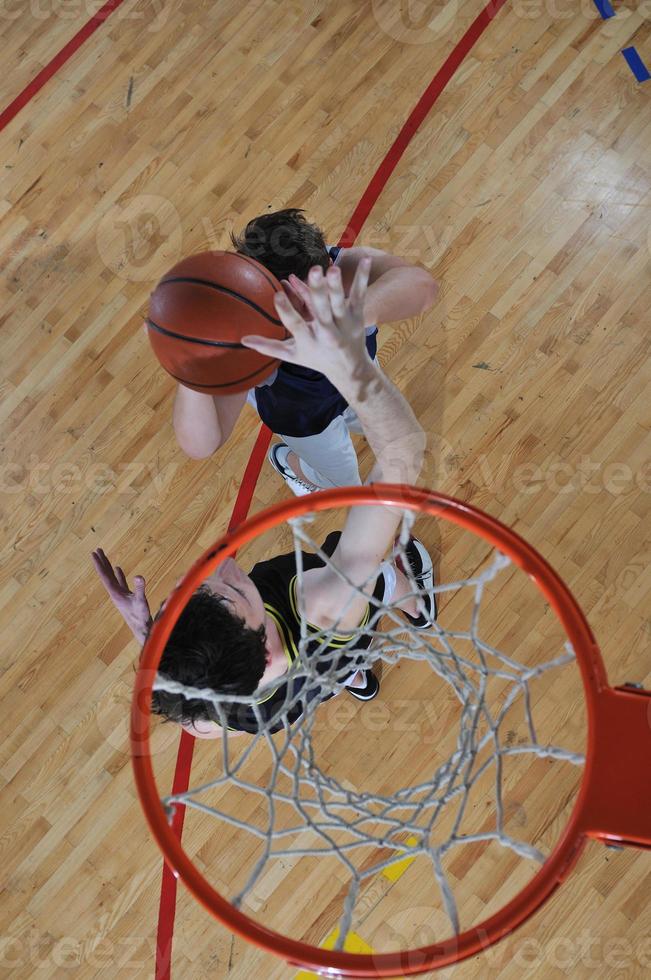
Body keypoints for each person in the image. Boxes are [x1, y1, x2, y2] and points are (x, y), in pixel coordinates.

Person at [93, 258, 435, 739]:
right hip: (333, 630)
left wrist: (154, 639)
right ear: (266, 649)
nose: (224, 564)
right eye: (232, 588)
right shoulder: (326, 603)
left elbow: (191, 715)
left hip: (291, 700)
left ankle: (353, 678)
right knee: (378, 576)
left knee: (338, 674)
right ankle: (414, 604)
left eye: (192, 590)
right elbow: (402, 455)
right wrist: (350, 364)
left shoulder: (214, 709)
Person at [172, 209, 438, 494]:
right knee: (343, 487)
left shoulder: (340, 271)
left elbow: (423, 288)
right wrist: (189, 372)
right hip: (308, 422)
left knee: (383, 427)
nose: (310, 309)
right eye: (293, 301)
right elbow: (201, 445)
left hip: (355, 385)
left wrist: (352, 315)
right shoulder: (246, 335)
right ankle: (289, 462)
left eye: (315, 292)